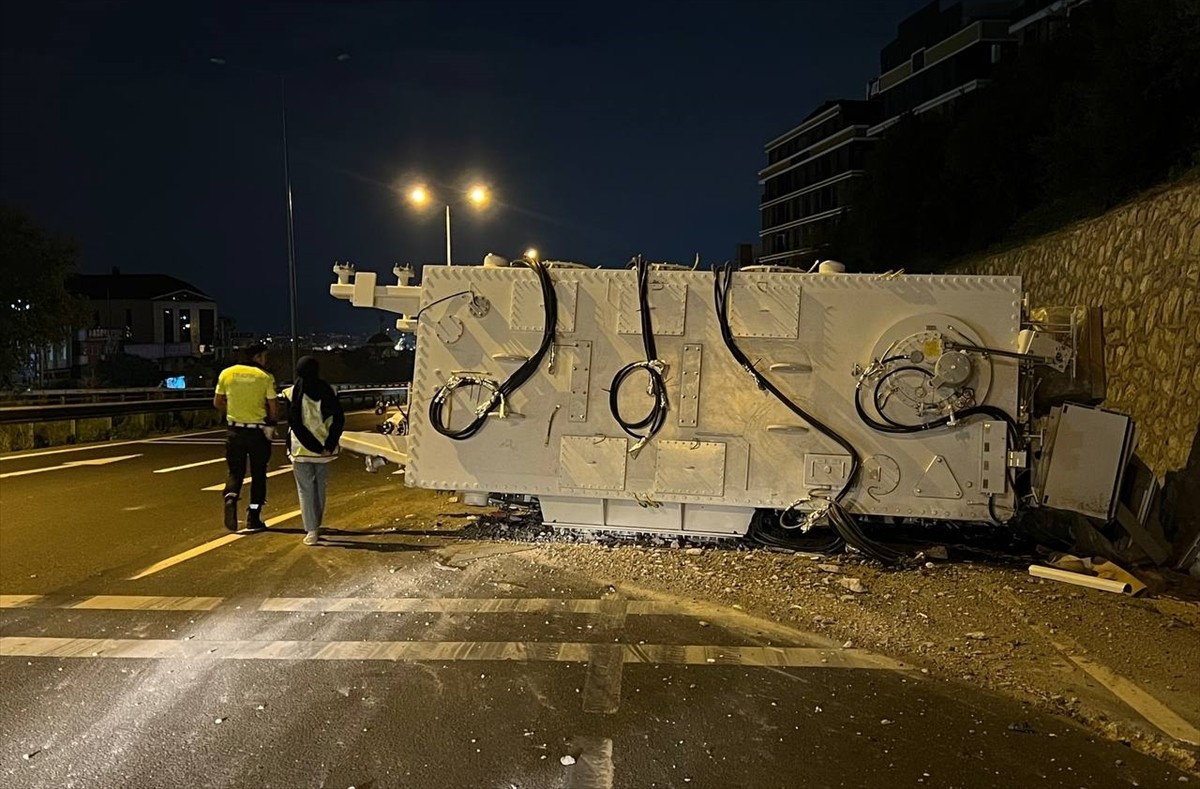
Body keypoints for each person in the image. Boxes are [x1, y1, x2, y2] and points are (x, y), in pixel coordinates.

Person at [213, 344, 280, 532]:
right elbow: (273, 406)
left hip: (234, 431)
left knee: (235, 471)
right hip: (257, 432)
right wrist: (272, 423)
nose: (265, 360)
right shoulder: (265, 377)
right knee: (259, 474)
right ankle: (254, 516)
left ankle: (231, 497)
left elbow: (217, 402)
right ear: (257, 357)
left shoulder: (227, 373)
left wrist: (233, 412)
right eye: (264, 357)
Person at [284, 355, 344, 546]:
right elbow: (339, 419)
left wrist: (314, 447)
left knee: (305, 490)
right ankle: (316, 524)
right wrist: (326, 445)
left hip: (301, 450)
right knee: (320, 488)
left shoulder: (291, 392)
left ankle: (311, 529)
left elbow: (295, 424)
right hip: (325, 451)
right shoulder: (329, 391)